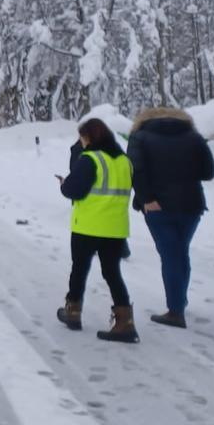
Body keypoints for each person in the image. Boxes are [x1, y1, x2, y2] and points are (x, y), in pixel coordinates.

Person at [127, 108, 214, 328]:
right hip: (191, 205)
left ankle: (175, 311)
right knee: (179, 252)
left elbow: (134, 170)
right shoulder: (194, 137)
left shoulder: (139, 137)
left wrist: (146, 198)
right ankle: (179, 301)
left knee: (170, 255)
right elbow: (209, 172)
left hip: (157, 206)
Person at [56, 117, 139, 342]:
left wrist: (64, 185)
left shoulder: (90, 159)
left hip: (88, 226)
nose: (81, 142)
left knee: (79, 270)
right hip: (115, 228)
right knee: (112, 273)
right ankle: (125, 321)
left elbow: (74, 190)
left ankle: (73, 311)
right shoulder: (125, 161)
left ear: (90, 137)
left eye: (82, 137)